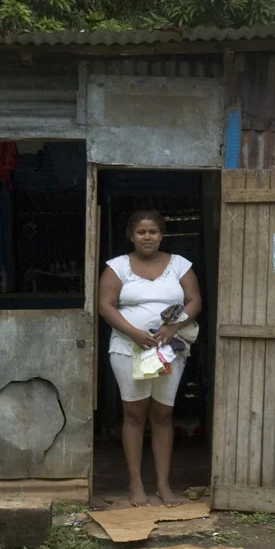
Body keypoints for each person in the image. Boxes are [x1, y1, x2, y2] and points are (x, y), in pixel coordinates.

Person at [99, 210, 202, 508]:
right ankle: (135, 484)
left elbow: (195, 300)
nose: (147, 237)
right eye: (141, 232)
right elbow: (105, 306)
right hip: (128, 348)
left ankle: (163, 485)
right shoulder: (117, 267)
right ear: (131, 235)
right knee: (134, 415)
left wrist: (174, 326)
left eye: (153, 231)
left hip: (170, 348)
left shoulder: (179, 265)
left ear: (161, 235)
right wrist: (133, 333)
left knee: (163, 415)